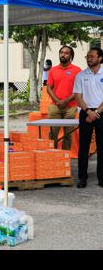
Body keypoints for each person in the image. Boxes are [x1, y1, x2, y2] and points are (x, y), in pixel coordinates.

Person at [73, 47, 103, 189]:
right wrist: (88, 112)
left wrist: (96, 112)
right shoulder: (80, 75)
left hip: (101, 113)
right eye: (87, 56)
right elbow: (78, 97)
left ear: (100, 58)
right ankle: (82, 178)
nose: (89, 58)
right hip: (86, 112)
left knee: (101, 147)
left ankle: (101, 178)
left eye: (92, 56)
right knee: (83, 147)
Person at [46, 46, 81, 150]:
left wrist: (65, 101)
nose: (63, 55)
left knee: (68, 134)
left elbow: (78, 90)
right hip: (55, 107)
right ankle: (53, 156)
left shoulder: (77, 70)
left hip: (70, 107)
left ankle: (64, 157)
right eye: (61, 52)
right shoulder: (53, 70)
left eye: (66, 53)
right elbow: (49, 88)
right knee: (52, 134)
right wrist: (58, 101)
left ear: (71, 56)